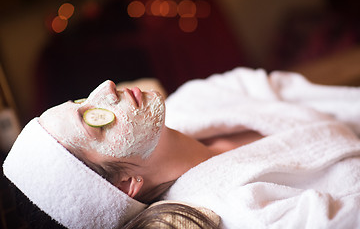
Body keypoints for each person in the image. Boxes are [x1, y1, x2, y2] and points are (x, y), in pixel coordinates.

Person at [3, 67, 360, 228]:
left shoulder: (196, 99)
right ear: (125, 185)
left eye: (81, 100)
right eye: (92, 117)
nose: (106, 87)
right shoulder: (246, 215)